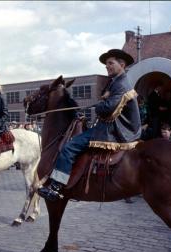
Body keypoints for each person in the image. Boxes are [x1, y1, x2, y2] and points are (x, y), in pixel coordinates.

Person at [38, 49, 142, 202]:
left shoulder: (121, 85)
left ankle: (56, 187)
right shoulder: (116, 82)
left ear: (122, 64)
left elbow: (108, 110)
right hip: (112, 127)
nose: (107, 66)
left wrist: (99, 104)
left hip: (114, 131)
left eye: (110, 63)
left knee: (69, 147)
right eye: (106, 64)